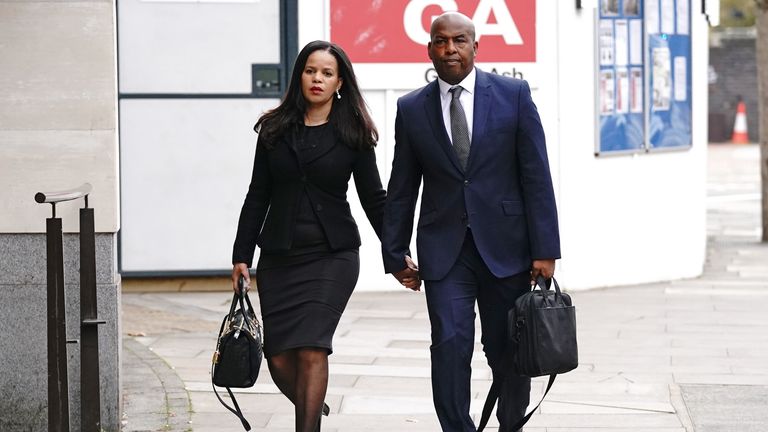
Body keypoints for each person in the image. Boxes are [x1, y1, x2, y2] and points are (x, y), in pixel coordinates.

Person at [381, 12, 560, 432]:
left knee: (508, 349)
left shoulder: (513, 95)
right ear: (429, 49)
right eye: (441, 42)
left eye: (459, 40)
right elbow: (402, 185)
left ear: (476, 46)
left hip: (507, 248)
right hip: (445, 252)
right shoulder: (411, 109)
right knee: (449, 344)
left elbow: (536, 176)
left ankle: (511, 422)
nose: (450, 49)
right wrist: (394, 253)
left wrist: (546, 250)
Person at [231, 40, 419, 432]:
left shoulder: (353, 132)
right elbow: (257, 194)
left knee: (314, 347)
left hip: (332, 256)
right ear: (299, 75)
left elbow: (374, 199)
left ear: (339, 83)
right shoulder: (273, 129)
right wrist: (241, 255)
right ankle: (312, 402)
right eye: (310, 70)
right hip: (280, 257)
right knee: (279, 357)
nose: (317, 78)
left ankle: (308, 424)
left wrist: (396, 255)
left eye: (327, 73)